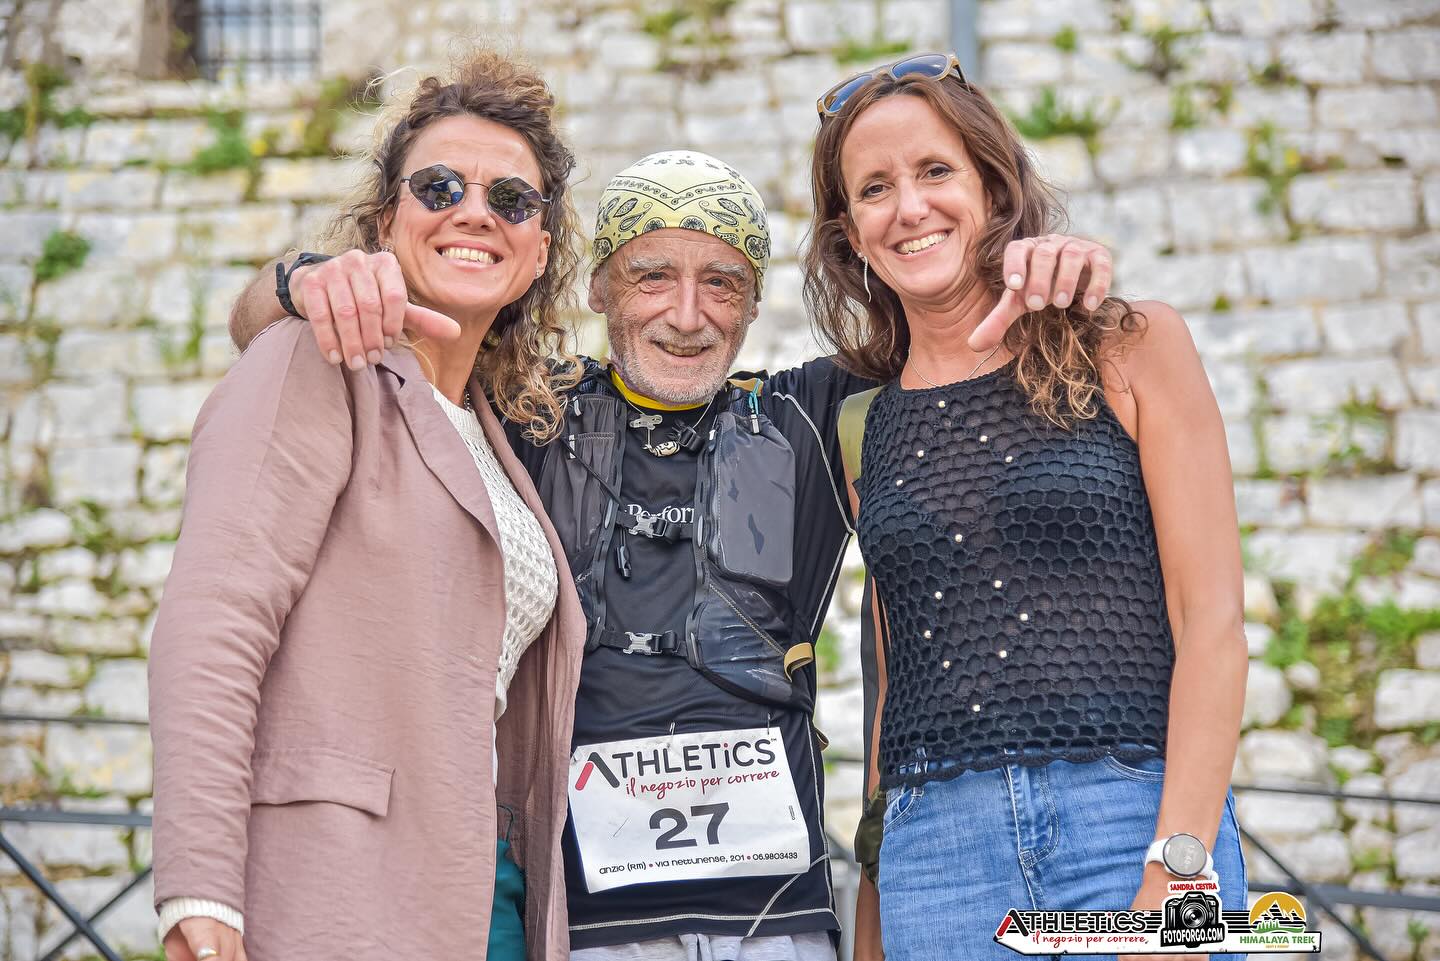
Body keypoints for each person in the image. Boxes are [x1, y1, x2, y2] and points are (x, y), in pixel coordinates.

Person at [228, 145, 1114, 956]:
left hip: (778, 922)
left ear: (755, 305)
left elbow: (965, 322)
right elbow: (263, 326)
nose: (687, 316)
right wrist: (306, 278)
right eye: (651, 275)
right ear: (598, 288)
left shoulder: (810, 415)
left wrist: (1039, 263)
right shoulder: (524, 411)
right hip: (589, 926)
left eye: (722, 284)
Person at [804, 53, 1248, 961]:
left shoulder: (1128, 347)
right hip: (937, 857)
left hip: (1129, 817)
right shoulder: (863, 424)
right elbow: (896, 685)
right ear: (851, 233)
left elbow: (1212, 621)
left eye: (935, 170)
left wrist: (1180, 866)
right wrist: (875, 904)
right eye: (875, 188)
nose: (909, 207)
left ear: (991, 185)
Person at [148, 51, 587, 961]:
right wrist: (200, 884)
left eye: (512, 199)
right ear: (387, 221)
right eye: (439, 187)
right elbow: (214, 625)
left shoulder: (501, 432)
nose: (475, 212)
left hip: (488, 894)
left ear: (540, 248)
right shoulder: (311, 362)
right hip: (333, 886)